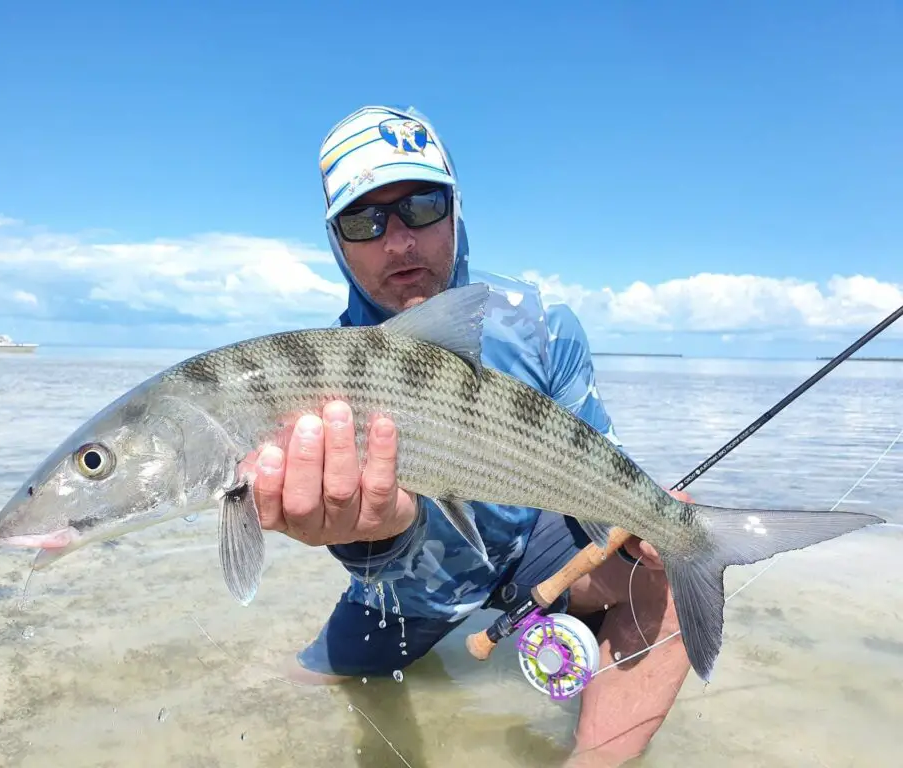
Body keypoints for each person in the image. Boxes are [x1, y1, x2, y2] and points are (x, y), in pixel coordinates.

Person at [248, 105, 694, 767]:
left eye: (422, 206)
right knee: (289, 690)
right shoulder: (318, 373)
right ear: (336, 243)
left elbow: (599, 463)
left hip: (532, 553)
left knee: (673, 563)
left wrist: (647, 514)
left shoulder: (542, 324)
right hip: (409, 590)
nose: (398, 243)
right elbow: (367, 531)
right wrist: (374, 538)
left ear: (457, 208)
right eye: (363, 221)